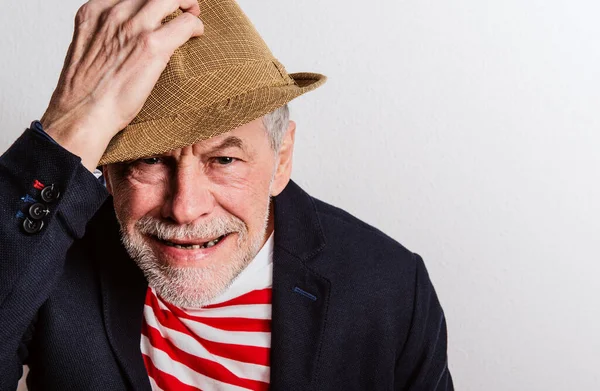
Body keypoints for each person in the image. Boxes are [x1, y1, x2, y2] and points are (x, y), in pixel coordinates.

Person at [0, 0, 453, 390]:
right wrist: (66, 128)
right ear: (108, 170)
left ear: (282, 159)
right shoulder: (46, 255)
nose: (185, 207)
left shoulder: (392, 288)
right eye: (150, 161)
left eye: (225, 160)